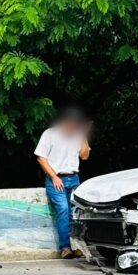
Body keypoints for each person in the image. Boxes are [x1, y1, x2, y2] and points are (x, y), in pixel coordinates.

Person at [34, 105, 92, 258]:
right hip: (56, 179)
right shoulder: (50, 134)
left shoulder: (77, 135)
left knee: (74, 213)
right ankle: (65, 247)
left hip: (74, 178)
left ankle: (75, 246)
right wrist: (54, 176)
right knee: (63, 209)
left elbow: (84, 156)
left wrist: (84, 135)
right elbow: (41, 157)